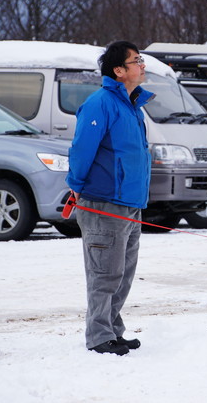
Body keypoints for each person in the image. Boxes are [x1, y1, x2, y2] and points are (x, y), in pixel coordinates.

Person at [66, 40, 154, 355]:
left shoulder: (131, 106)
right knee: (105, 273)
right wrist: (75, 185)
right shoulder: (100, 103)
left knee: (123, 274)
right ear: (119, 70)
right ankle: (99, 336)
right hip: (103, 203)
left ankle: (112, 330)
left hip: (130, 204)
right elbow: (81, 149)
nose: (142, 65)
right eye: (136, 60)